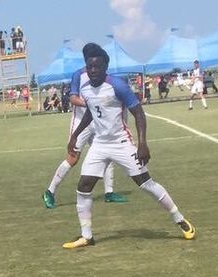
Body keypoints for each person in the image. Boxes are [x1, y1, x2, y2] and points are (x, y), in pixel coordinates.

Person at [62, 43, 195, 249]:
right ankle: (86, 236)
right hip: (99, 144)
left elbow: (138, 113)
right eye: (89, 67)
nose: (93, 70)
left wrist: (142, 143)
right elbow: (90, 113)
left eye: (97, 66)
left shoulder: (118, 86)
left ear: (105, 67)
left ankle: (180, 220)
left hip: (121, 143)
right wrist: (75, 135)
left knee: (145, 183)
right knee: (83, 187)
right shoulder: (85, 88)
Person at [43, 66, 128, 209]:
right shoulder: (78, 75)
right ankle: (49, 192)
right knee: (72, 158)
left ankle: (109, 193)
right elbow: (73, 99)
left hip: (97, 121)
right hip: (80, 122)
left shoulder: (103, 75)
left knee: (107, 154)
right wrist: (91, 104)